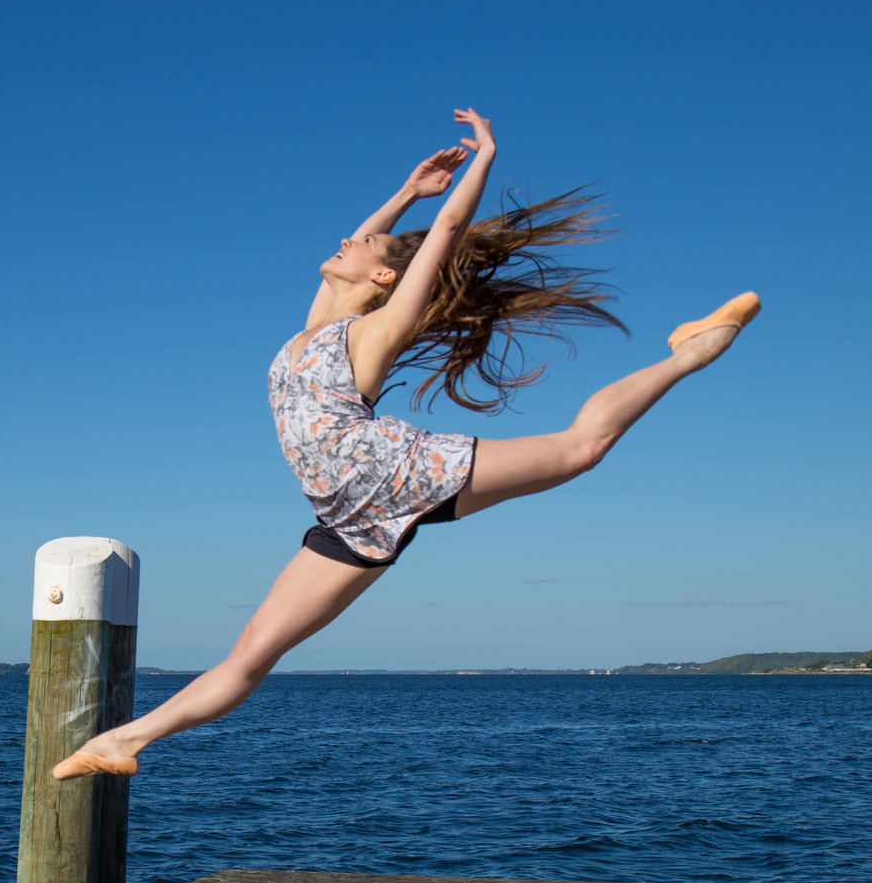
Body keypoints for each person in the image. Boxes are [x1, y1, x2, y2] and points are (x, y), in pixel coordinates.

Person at [53, 108, 760, 781]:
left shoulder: (372, 333)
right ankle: (122, 741)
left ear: (386, 278)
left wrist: (482, 158)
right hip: (347, 518)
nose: (346, 240)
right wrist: (406, 191)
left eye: (361, 245)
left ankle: (686, 354)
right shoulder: (319, 324)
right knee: (251, 654)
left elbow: (447, 232)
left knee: (581, 447)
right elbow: (365, 247)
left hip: (401, 472)